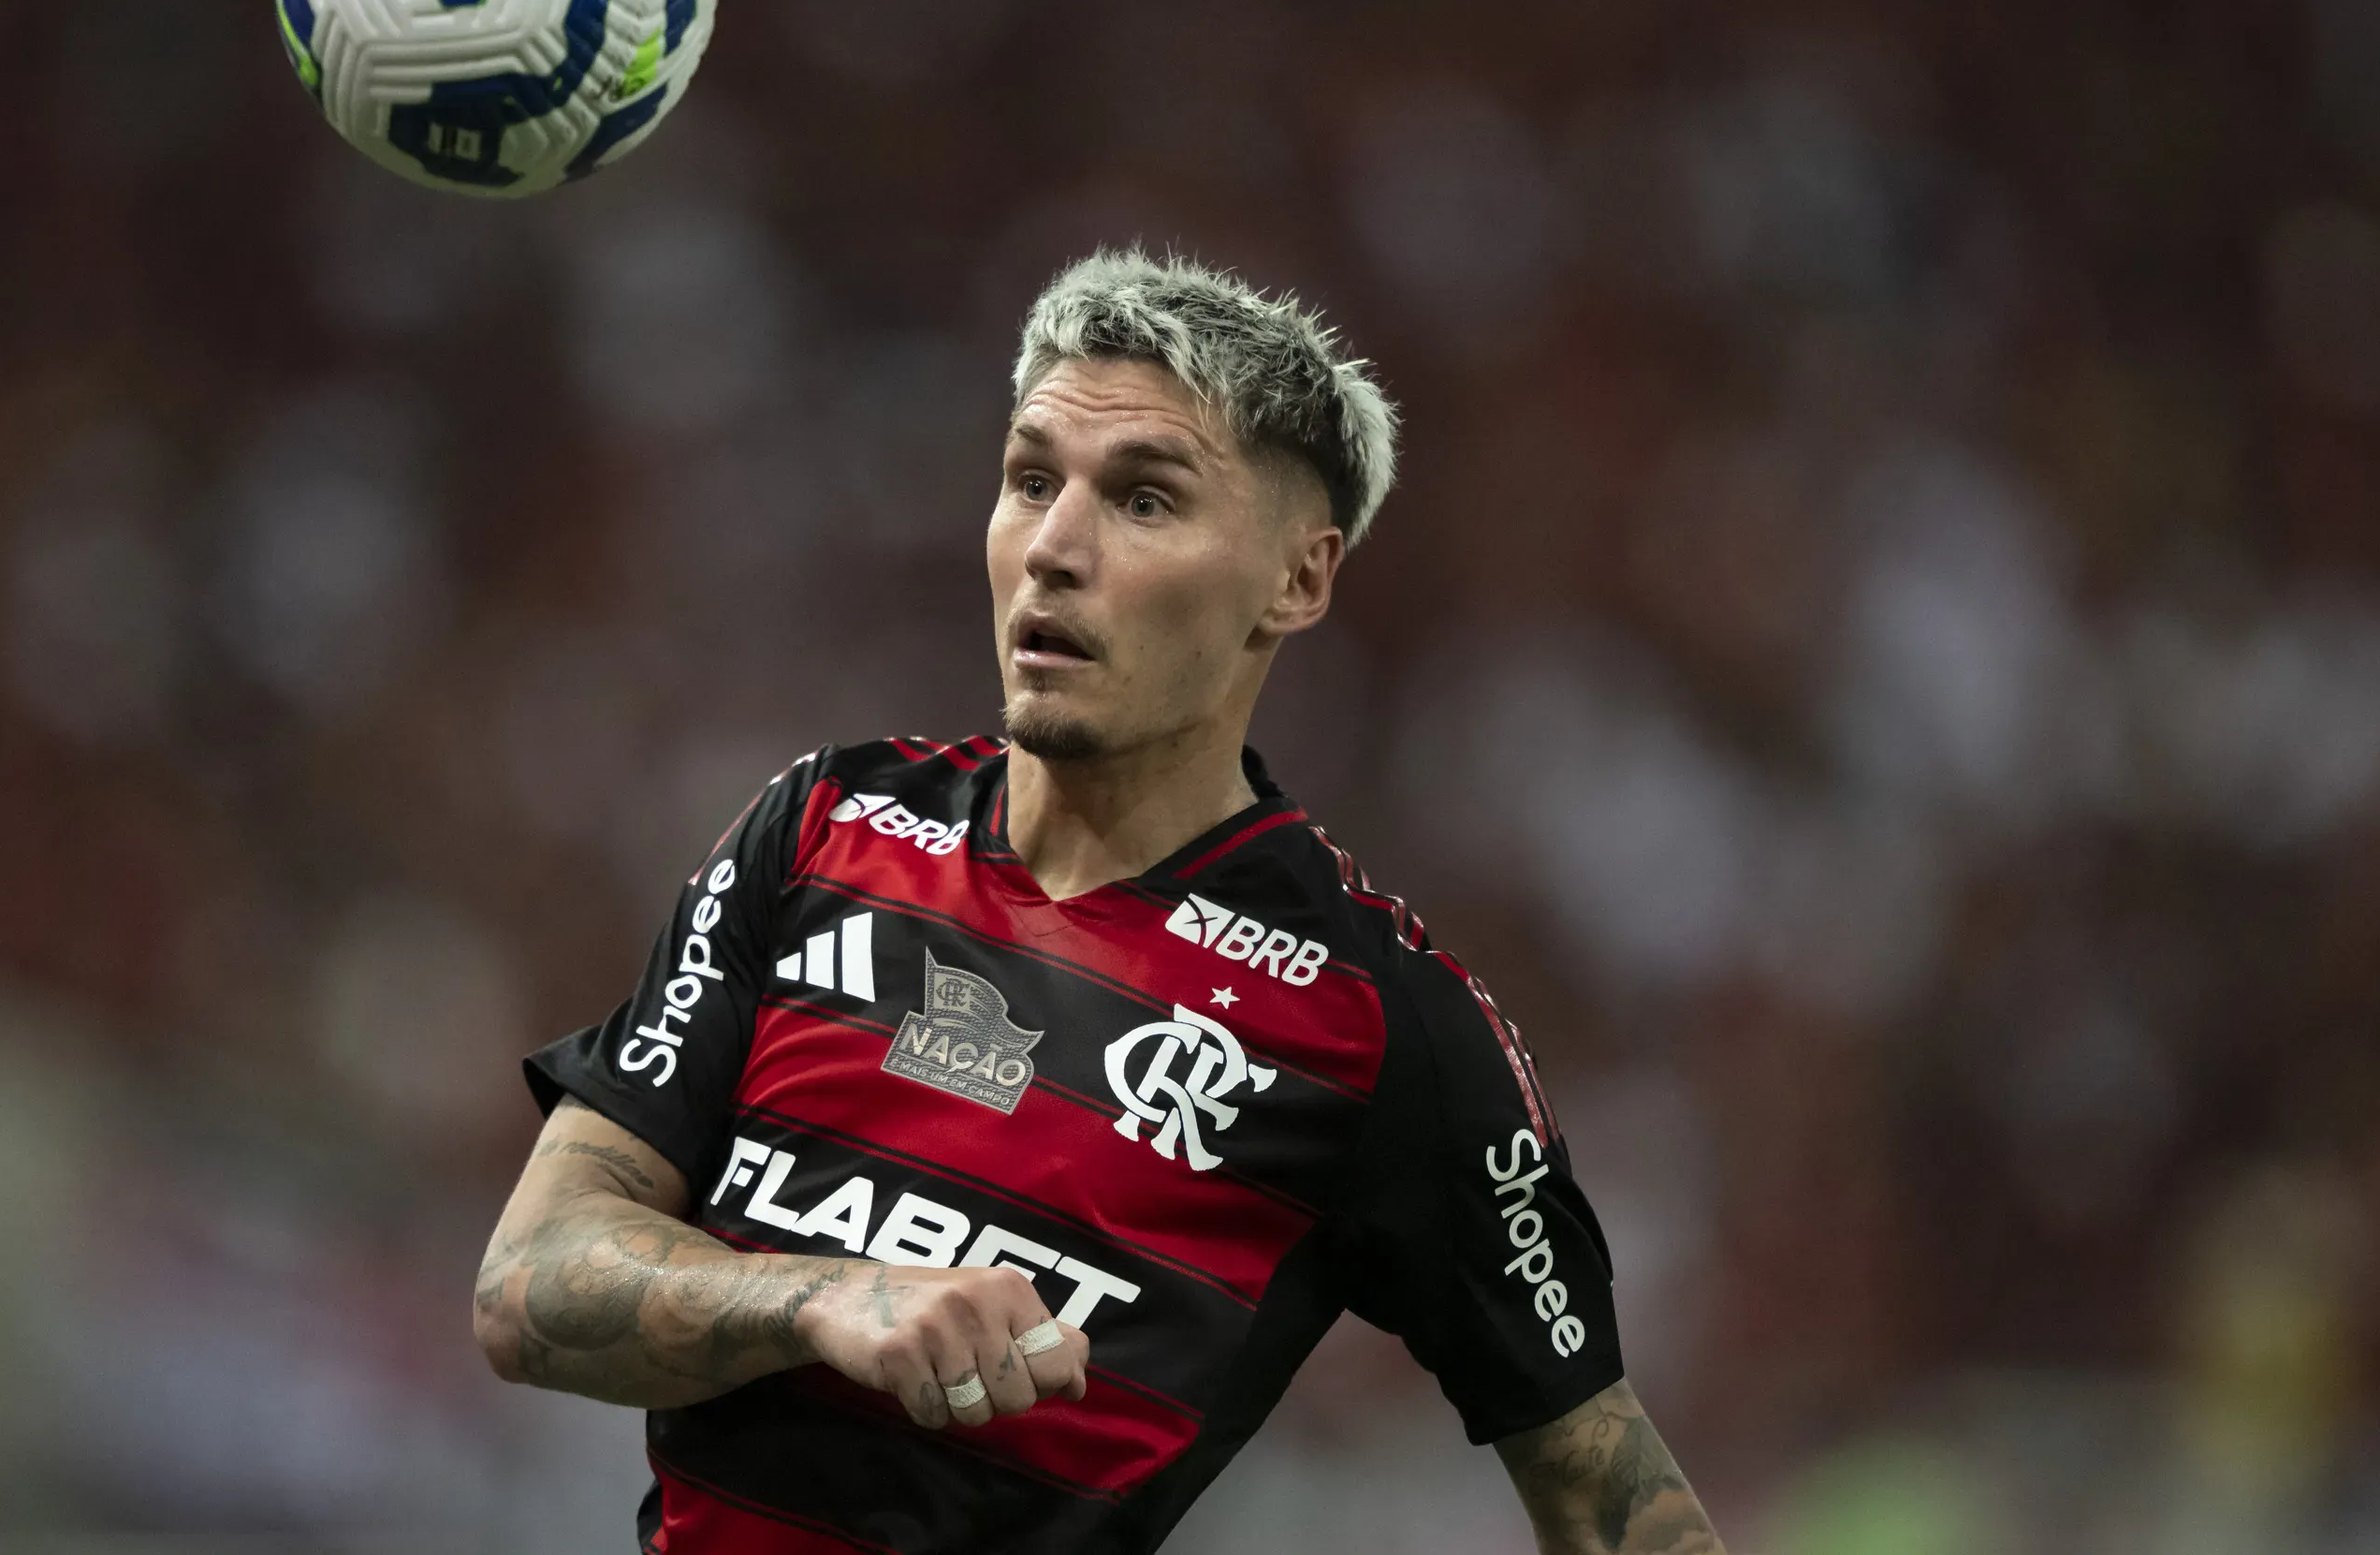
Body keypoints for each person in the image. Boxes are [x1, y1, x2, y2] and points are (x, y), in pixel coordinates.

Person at [474, 250, 1726, 1554]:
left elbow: (1612, 1496)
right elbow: (527, 1287)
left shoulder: (1376, 1023)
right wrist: (825, 1300)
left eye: (1142, 500)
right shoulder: (820, 834)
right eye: (1030, 481)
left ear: (1297, 582)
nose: (1055, 550)